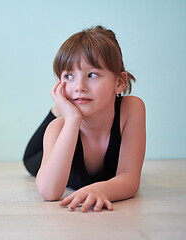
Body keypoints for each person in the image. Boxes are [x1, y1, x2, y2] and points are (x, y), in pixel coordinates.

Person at [23, 25, 146, 212]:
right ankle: (59, 108)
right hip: (40, 152)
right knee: (32, 156)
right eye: (69, 76)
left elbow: (129, 178)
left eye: (92, 75)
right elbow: (49, 193)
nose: (79, 86)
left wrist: (101, 189)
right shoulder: (58, 127)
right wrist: (71, 119)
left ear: (120, 82)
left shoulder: (131, 109)